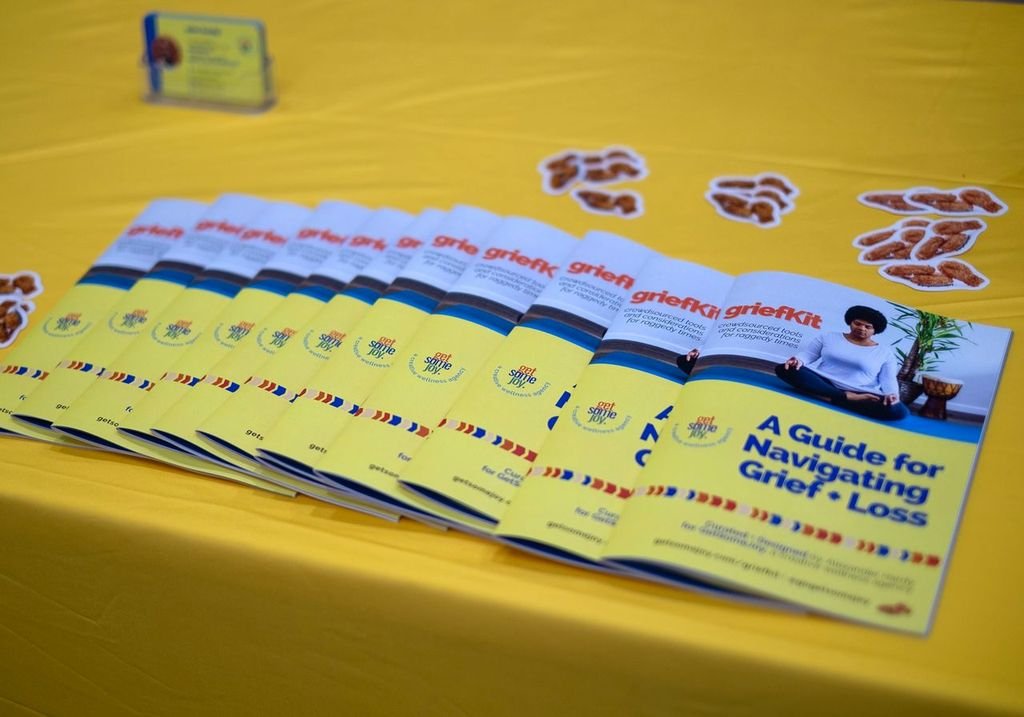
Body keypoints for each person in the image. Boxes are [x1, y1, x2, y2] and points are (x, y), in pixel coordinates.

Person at [774, 305, 908, 421]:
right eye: (857, 323)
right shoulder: (829, 337)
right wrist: (798, 360)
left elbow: (888, 379)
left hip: (861, 392)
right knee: (785, 369)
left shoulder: (885, 352)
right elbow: (809, 355)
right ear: (850, 322)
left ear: (875, 330)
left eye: (868, 327)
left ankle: (826, 396)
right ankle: (844, 398)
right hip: (823, 381)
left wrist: (892, 394)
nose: (862, 328)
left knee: (897, 410)